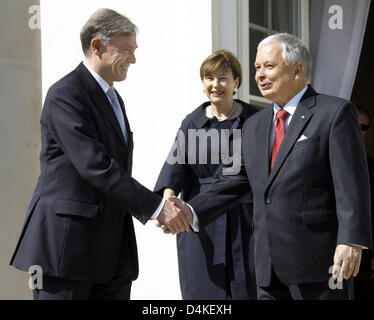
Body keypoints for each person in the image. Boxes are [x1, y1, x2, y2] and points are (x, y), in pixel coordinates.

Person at [165, 33, 372, 300]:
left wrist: (350, 240)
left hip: (320, 265)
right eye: (257, 68)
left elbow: (351, 184)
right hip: (267, 268)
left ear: (298, 69)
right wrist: (191, 210)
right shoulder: (255, 124)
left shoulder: (334, 113)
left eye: (269, 66)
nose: (260, 74)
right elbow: (235, 179)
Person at [9, 8, 191, 300]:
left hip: (112, 255)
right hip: (67, 252)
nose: (133, 58)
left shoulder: (115, 99)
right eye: (126, 49)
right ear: (97, 46)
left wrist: (160, 203)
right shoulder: (65, 95)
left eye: (134, 50)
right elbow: (96, 166)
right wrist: (158, 208)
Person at [154, 50, 258, 300]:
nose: (215, 85)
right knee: (202, 294)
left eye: (223, 78)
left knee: (246, 290)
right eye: (209, 78)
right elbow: (174, 168)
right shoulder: (191, 122)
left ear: (236, 81)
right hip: (199, 221)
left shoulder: (255, 119)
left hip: (245, 221)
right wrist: (168, 204)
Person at [354, 105, 374, 300]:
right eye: (354, 125)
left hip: (363, 257)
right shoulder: (321, 159)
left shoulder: (371, 168)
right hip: (323, 254)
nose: (358, 131)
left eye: (364, 127)